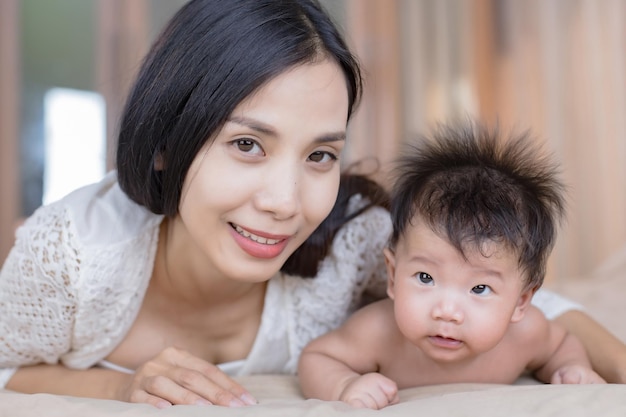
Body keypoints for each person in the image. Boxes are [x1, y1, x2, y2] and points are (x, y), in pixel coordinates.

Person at [0, 0, 624, 410]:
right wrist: (119, 386)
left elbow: (507, 290)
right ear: (167, 142)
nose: (285, 203)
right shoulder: (74, 255)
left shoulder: (351, 242)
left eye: (320, 155)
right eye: (247, 144)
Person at [298, 122, 606, 410]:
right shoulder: (379, 332)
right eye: (425, 277)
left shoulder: (527, 333)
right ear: (392, 276)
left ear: (521, 301)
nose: (446, 311)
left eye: (479, 288)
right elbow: (317, 357)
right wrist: (344, 384)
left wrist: (571, 367)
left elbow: (563, 343)